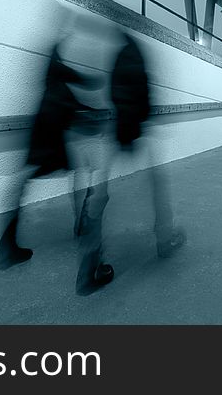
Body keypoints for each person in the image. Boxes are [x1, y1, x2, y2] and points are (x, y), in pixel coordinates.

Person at [75, 32, 185, 295]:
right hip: (137, 127)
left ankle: (88, 265)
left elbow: (113, 92)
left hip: (116, 126)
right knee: (159, 181)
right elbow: (145, 95)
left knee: (99, 192)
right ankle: (164, 240)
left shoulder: (118, 56)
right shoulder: (137, 53)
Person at [0, 41, 103, 271]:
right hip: (49, 141)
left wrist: (90, 108)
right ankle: (79, 226)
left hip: (45, 139)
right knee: (66, 175)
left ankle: (8, 245)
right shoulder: (57, 77)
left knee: (27, 181)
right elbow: (75, 95)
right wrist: (97, 83)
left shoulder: (55, 82)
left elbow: (73, 102)